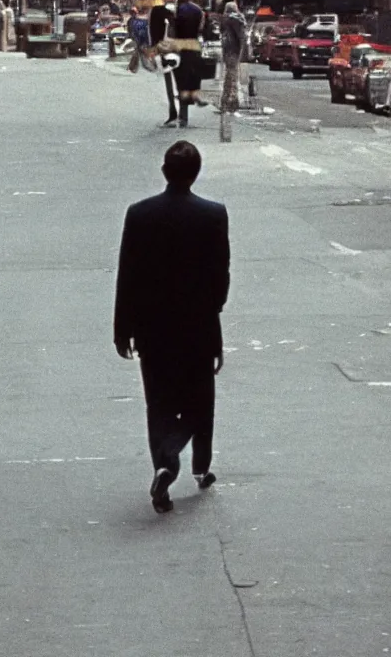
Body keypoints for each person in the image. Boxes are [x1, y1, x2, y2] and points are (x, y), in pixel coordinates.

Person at [113, 141, 230, 514]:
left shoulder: (139, 214)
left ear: (165, 172)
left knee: (159, 401)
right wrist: (214, 315)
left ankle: (164, 462)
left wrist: (122, 328)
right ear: (196, 173)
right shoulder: (213, 215)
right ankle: (197, 463)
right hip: (197, 325)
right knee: (200, 400)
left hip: (152, 327)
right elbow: (219, 277)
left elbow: (127, 274)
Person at [171, 0, 207, 128]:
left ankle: (183, 116)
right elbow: (202, 28)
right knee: (194, 75)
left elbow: (174, 29)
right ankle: (196, 96)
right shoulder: (198, 11)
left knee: (182, 81)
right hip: (194, 44)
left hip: (181, 46)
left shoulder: (178, 11)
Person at [149, 0, 178, 127]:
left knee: (170, 85)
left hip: (166, 53)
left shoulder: (157, 16)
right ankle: (179, 112)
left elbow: (155, 37)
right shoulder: (171, 17)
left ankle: (173, 111)